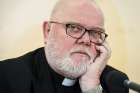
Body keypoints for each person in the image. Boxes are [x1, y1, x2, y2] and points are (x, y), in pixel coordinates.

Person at [0, 0, 129, 93]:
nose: (86, 40)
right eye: (74, 28)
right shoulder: (7, 76)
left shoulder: (116, 83)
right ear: (48, 31)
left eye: (95, 32)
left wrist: (92, 87)